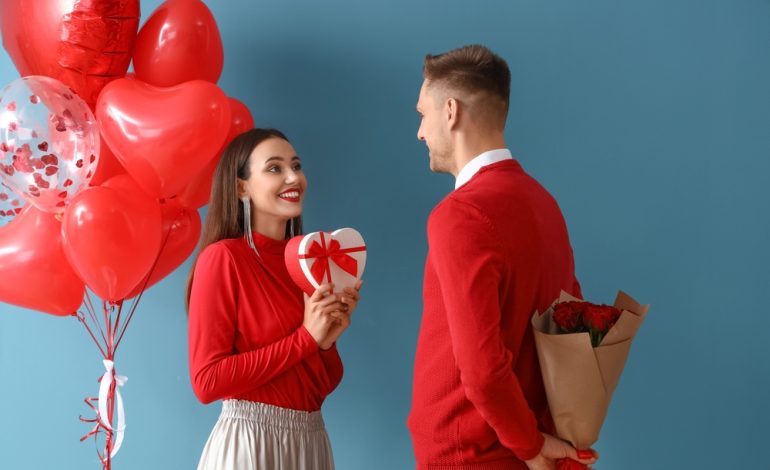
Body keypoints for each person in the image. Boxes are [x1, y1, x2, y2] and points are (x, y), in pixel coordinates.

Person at [407, 45, 598, 470]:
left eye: (423, 114)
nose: (420, 132)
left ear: (451, 111)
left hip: (471, 453)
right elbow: (573, 325)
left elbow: (482, 368)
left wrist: (529, 446)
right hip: (526, 445)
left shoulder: (458, 214)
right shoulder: (544, 204)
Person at [186, 128, 362, 470]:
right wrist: (305, 339)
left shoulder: (311, 261)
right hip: (250, 446)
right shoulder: (224, 259)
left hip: (310, 440)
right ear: (241, 188)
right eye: (274, 168)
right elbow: (207, 382)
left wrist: (326, 342)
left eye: (296, 165)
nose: (293, 177)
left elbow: (317, 388)